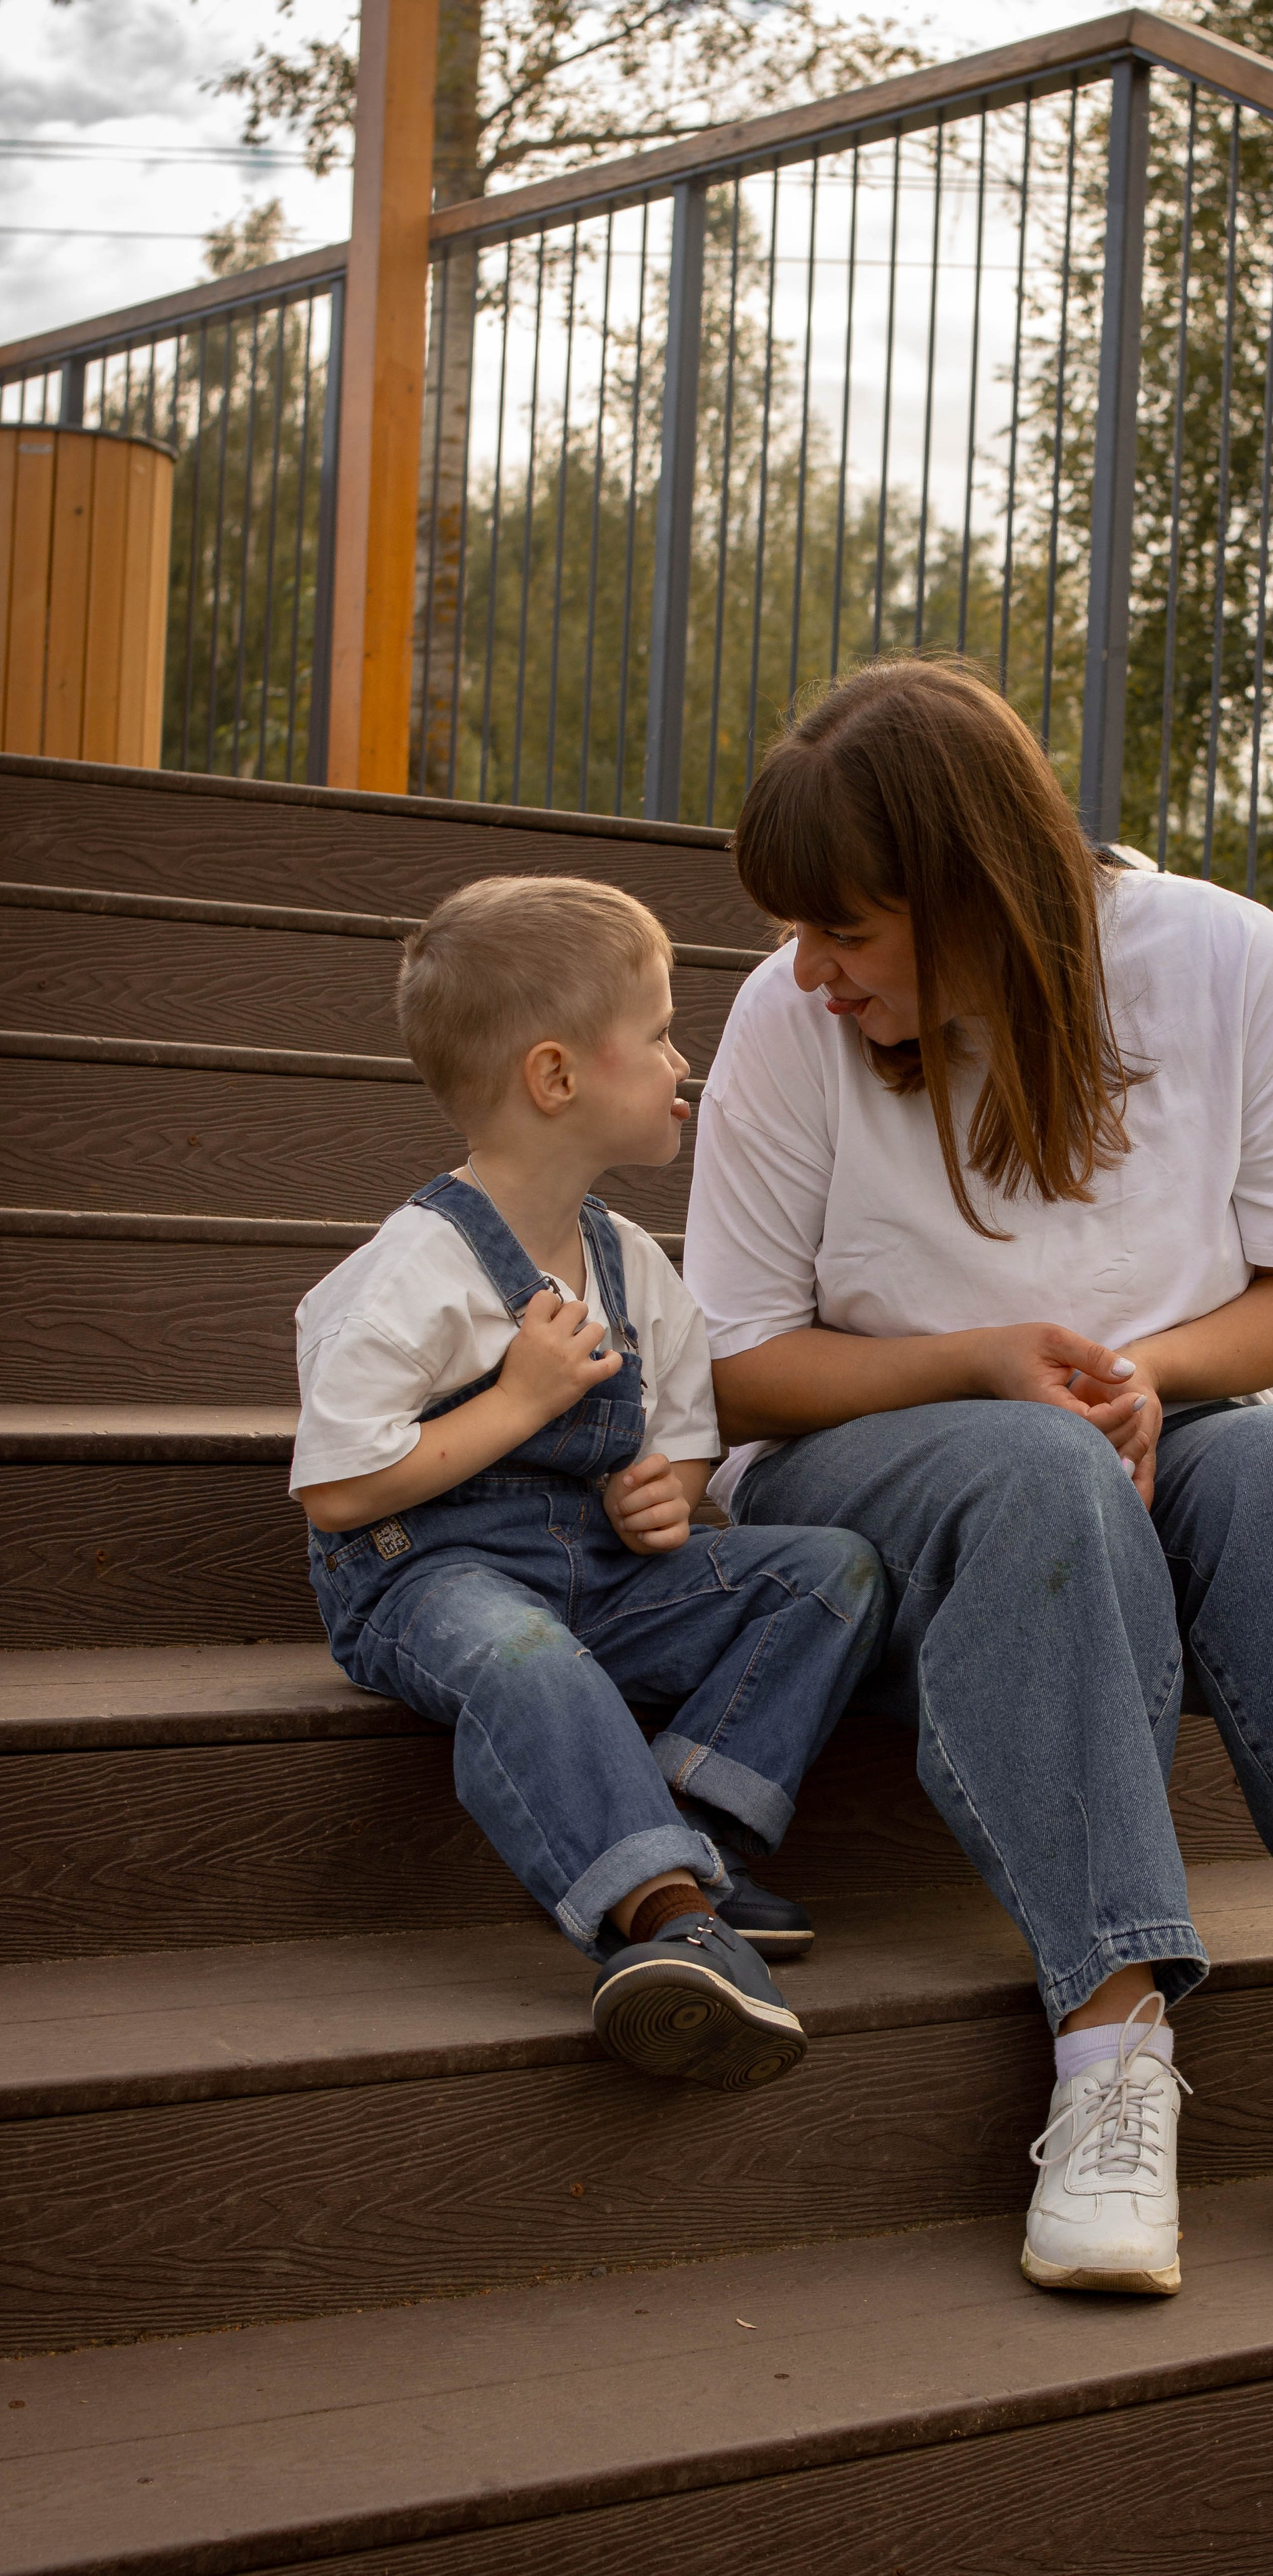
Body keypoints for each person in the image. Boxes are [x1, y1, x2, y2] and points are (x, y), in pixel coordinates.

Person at [683, 656, 1273, 2288]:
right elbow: (732, 1362)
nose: (811, 972)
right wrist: (985, 1363)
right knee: (1038, 1474)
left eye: (848, 930)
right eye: (803, 936)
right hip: (869, 1458)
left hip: (1157, 1430)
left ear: (970, 890)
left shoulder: (1228, 960)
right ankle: (1111, 2068)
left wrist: (1146, 1379)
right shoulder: (790, 1018)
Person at [291, 874, 887, 2093]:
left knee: (832, 1572)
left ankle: (687, 1821)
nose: (687, 1058)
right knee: (523, 1656)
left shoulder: (632, 1267)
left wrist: (664, 1489)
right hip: (425, 1580)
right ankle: (667, 1921)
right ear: (556, 1078)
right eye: (662, 1032)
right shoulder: (415, 1272)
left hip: (597, 1579)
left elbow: (679, 1434)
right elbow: (340, 1492)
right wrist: (517, 1402)